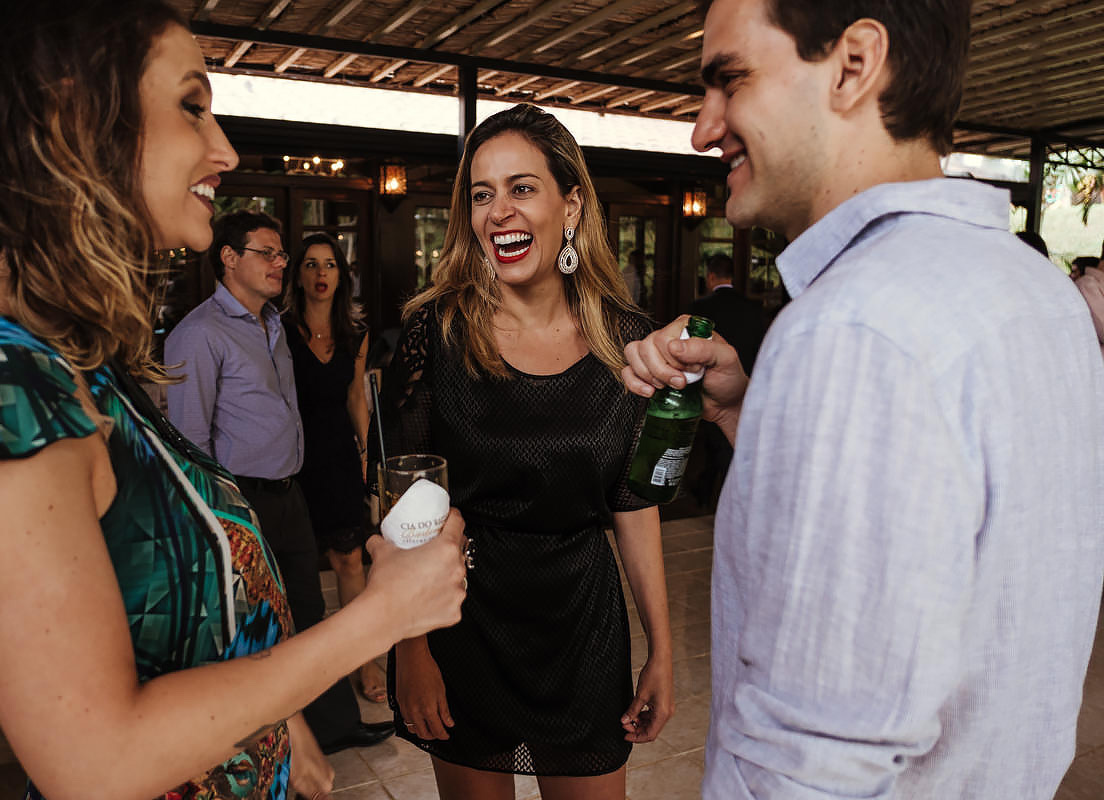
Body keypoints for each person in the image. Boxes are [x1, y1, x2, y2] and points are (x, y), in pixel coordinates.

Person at [0, 3, 467, 799]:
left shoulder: (66, 352)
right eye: (191, 105)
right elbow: (94, 761)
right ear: (73, 116)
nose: (223, 148)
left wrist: (278, 719)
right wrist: (380, 616)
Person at [623, 1, 1104, 798]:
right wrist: (756, 410)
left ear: (854, 64)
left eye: (729, 79)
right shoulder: (1038, 294)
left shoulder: (853, 327)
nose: (703, 129)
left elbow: (813, 770)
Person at [371, 103, 674, 800]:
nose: (498, 211)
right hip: (464, 623)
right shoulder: (434, 334)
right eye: (482, 194)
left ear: (570, 205)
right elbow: (401, 507)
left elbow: (633, 503)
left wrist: (662, 648)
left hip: (583, 627)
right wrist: (409, 649)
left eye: (521, 188)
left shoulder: (626, 338)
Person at [165, 211, 396, 755]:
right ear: (229, 257)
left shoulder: (270, 324)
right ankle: (262, 744)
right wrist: (217, 520)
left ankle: (334, 725)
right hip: (242, 501)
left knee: (310, 613)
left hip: (289, 491)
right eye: (267, 253)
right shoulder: (199, 334)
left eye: (280, 255)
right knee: (255, 625)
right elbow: (190, 442)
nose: (280, 264)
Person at [282, 232, 384, 704]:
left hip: (339, 459)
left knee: (349, 561)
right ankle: (309, 676)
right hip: (292, 461)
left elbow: (355, 401)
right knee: (299, 570)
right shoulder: (277, 330)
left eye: (329, 265)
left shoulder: (356, 333)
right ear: (298, 276)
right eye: (311, 265)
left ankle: (364, 664)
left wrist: (371, 458)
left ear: (341, 275)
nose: (321, 274)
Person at [686, 252, 765, 510]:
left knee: (719, 448)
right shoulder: (755, 309)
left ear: (710, 277)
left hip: (712, 387)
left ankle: (717, 501)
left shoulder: (700, 309)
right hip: (748, 384)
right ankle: (709, 494)